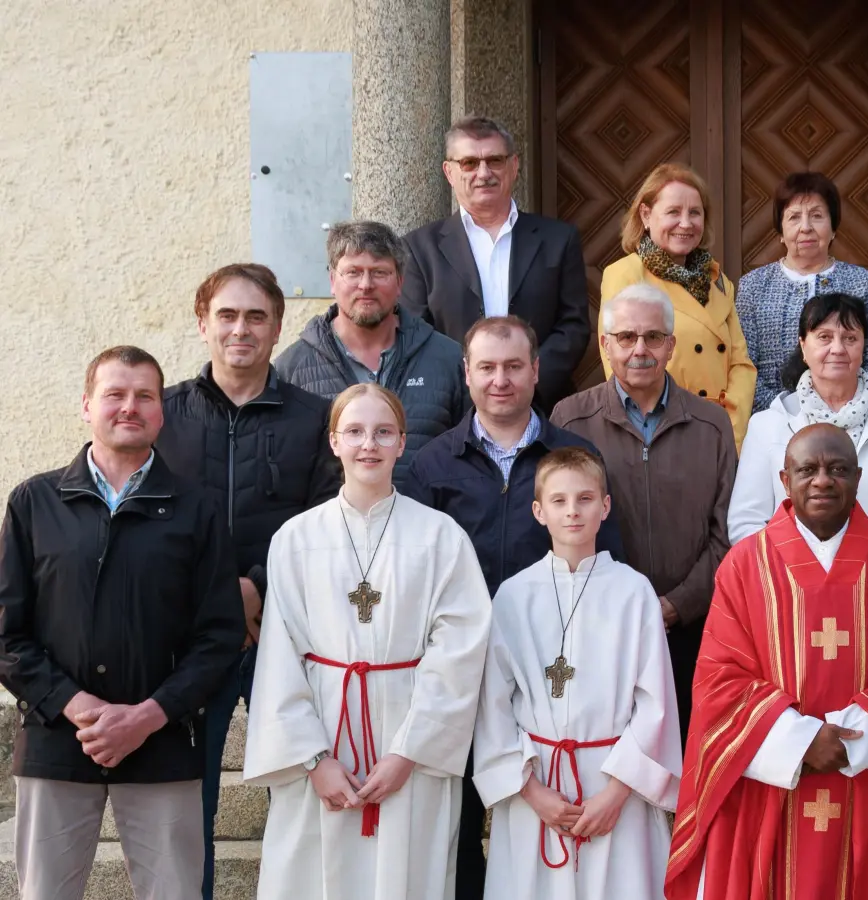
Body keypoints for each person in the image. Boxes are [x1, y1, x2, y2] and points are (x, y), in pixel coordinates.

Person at [665, 424, 868, 900]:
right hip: (774, 789)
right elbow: (719, 677)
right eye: (808, 469)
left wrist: (854, 738)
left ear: (859, 478)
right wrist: (799, 741)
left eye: (838, 469)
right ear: (784, 478)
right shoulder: (744, 564)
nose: (822, 480)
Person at [0, 346, 244, 900]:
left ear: (162, 412)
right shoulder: (34, 502)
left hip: (163, 743)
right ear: (88, 406)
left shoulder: (197, 509)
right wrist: (82, 708)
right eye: (114, 394)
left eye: (144, 396)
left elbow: (219, 636)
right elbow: (7, 633)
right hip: (57, 740)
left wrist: (147, 716)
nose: (128, 407)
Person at [402, 314, 623, 894]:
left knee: (537, 808)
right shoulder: (433, 465)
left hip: (548, 672)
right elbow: (417, 569)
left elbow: (605, 559)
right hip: (456, 667)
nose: (500, 379)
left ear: (536, 371)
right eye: (487, 368)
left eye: (513, 366)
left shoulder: (574, 454)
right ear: (467, 375)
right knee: (457, 818)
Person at [244, 384, 492, 899]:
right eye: (354, 431)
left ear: (403, 443)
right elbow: (279, 658)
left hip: (410, 748)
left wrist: (409, 752)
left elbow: (459, 654)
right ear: (334, 441)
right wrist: (314, 760)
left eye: (383, 432)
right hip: (322, 738)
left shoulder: (441, 537)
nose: (368, 445)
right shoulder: (295, 537)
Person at [155, 263, 342, 900]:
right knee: (187, 810)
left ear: (277, 327)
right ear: (203, 323)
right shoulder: (164, 417)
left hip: (287, 633)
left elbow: (325, 517)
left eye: (256, 316)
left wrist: (258, 584)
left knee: (307, 788)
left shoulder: (315, 419)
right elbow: (151, 522)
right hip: (188, 643)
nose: (241, 329)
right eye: (228, 315)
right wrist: (219, 597)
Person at [474, 447, 681, 899]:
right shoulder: (513, 596)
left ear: (605, 507)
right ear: (538, 510)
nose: (572, 511)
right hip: (540, 787)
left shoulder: (633, 592)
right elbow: (493, 705)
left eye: (585, 499)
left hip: (612, 784)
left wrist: (616, 795)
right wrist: (532, 791)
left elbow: (655, 704)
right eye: (560, 501)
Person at [551, 283, 736, 744]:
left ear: (671, 346)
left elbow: (728, 531)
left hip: (695, 630)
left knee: (691, 758)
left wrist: (675, 606)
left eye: (653, 337)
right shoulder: (570, 421)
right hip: (599, 631)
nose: (640, 349)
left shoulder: (711, 424)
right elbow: (559, 527)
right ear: (605, 344)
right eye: (627, 337)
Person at [730, 291, 868, 562]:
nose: (838, 348)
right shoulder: (767, 426)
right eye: (824, 337)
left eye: (850, 338)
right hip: (791, 589)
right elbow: (746, 522)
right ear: (803, 346)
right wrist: (788, 571)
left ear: (864, 346)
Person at [399, 116, 591, 410]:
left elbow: (574, 325)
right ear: (449, 172)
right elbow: (416, 333)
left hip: (543, 407)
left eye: (495, 160)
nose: (483, 172)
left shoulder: (558, 239)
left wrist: (529, 382)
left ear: (514, 166)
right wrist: (467, 389)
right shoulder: (419, 248)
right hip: (454, 413)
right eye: (469, 163)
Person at [277, 220, 469, 487]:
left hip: (425, 523)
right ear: (333, 280)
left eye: (379, 273)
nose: (366, 285)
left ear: (400, 282)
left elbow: (470, 459)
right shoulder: (292, 369)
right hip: (332, 526)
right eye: (353, 272)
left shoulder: (447, 359)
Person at [600, 163, 756, 447]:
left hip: (722, 434)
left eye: (694, 212)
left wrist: (729, 430)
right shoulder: (625, 275)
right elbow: (621, 365)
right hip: (662, 433)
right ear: (646, 215)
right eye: (673, 212)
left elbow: (742, 366)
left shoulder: (718, 280)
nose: (686, 223)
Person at [735, 171, 868, 411]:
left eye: (816, 216)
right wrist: (783, 412)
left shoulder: (861, 282)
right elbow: (743, 363)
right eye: (794, 217)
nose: (805, 228)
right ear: (781, 231)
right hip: (774, 419)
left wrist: (845, 408)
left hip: (851, 417)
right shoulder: (753, 286)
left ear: (833, 227)